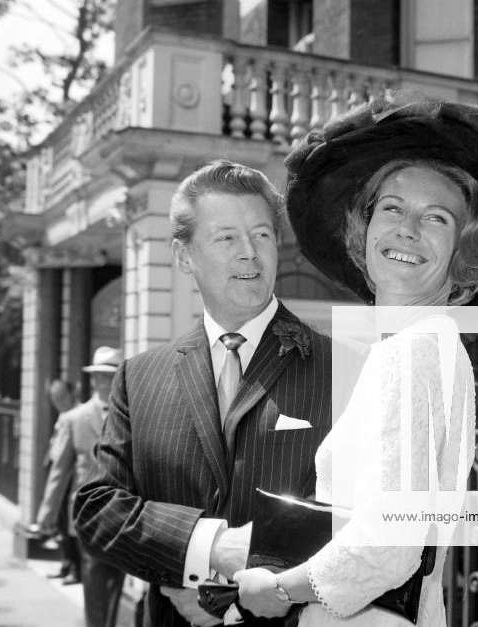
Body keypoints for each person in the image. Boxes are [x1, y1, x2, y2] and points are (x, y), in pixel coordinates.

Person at [231, 97, 478, 625]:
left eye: (436, 218)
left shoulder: (416, 350)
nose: (407, 228)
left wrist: (278, 588)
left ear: (462, 253)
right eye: (392, 207)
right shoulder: (412, 345)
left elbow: (389, 543)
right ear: (365, 228)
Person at [73, 160, 332, 627]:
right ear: (183, 255)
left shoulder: (341, 366)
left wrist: (229, 598)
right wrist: (206, 547)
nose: (249, 253)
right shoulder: (139, 377)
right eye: (226, 237)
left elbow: (362, 522)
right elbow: (97, 509)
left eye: (262, 235)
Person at [50, 348, 126, 627]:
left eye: (111, 376)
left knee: (116, 585)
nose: (104, 383)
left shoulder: (134, 416)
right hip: (88, 515)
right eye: (100, 377)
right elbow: (59, 471)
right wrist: (46, 516)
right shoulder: (75, 418)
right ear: (92, 380)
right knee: (94, 583)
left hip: (125, 514)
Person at [31, 378, 82, 584]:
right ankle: (66, 564)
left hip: (70, 478)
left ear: (71, 394)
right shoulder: (63, 415)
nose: (58, 402)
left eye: (61, 397)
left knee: (68, 524)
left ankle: (74, 569)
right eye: (54, 398)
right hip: (58, 474)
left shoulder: (77, 415)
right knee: (60, 525)